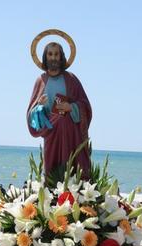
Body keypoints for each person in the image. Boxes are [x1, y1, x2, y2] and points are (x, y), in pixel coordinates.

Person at [26, 39, 93, 178]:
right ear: (45, 57)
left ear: (61, 56)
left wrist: (72, 107)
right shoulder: (41, 81)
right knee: (52, 173)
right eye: (50, 54)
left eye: (56, 54)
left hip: (71, 134)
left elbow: (85, 106)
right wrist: (39, 106)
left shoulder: (71, 79)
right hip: (51, 133)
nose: (53, 57)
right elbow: (31, 115)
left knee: (74, 172)